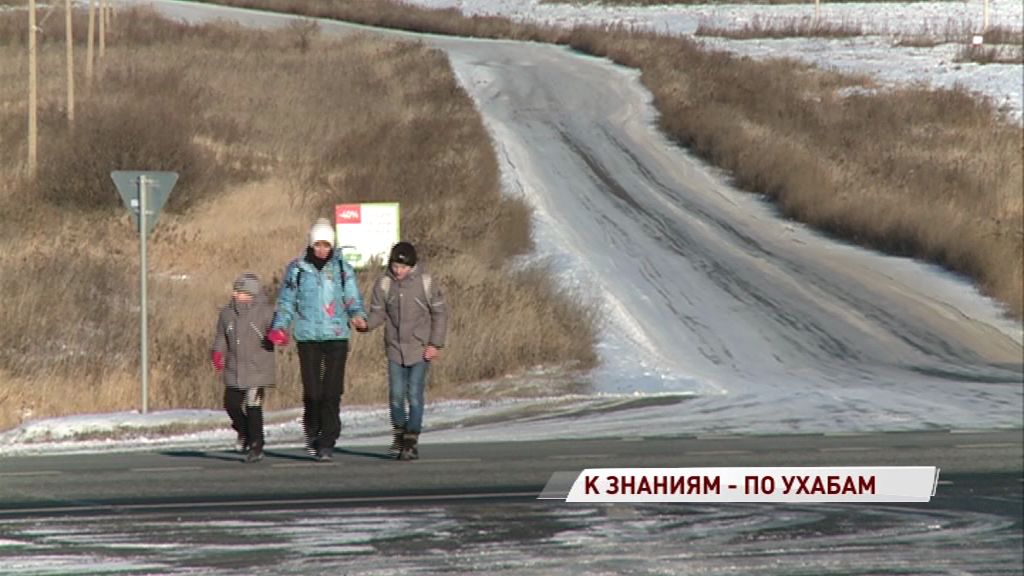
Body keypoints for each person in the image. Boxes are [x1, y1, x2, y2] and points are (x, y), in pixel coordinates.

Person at [267, 218, 367, 462]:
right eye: (318, 245)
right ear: (311, 245)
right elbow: (287, 302)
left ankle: (327, 441)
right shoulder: (298, 269)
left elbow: (352, 297)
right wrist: (279, 327)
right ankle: (312, 431)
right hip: (307, 336)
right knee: (313, 392)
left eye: (326, 245)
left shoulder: (342, 269)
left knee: (332, 392)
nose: (322, 250)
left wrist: (357, 316)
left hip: (336, 336)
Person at [360, 241, 447, 461]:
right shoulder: (384, 284)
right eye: (395, 267)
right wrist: (366, 324)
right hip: (395, 349)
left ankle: (411, 438)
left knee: (415, 396)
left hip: (419, 349)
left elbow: (439, 315)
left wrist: (434, 344)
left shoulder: (425, 283)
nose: (399, 271)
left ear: (412, 266)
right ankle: (399, 432)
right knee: (396, 397)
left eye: (403, 267)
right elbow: (378, 313)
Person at [210, 272, 276, 464]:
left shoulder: (266, 312)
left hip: (258, 367)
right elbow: (221, 337)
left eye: (239, 291)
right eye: (235, 291)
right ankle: (244, 430)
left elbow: (278, 328)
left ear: (250, 294)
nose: (235, 294)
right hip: (234, 367)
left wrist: (278, 334)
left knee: (253, 406)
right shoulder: (227, 313)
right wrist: (217, 353)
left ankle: (256, 445)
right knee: (231, 403)